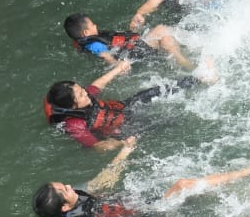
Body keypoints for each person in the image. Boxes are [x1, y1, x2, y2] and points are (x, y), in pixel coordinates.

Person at [32, 146, 250, 217]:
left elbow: (101, 181)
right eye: (63, 189)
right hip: (146, 214)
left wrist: (124, 153)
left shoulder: (73, 195)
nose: (68, 185)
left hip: (135, 201)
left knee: (195, 189)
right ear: (64, 208)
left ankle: (242, 188)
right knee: (184, 185)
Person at [43, 60, 204, 150]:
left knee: (152, 92)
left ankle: (200, 78)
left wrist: (118, 69)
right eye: (80, 95)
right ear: (72, 107)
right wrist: (121, 143)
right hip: (122, 129)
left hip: (123, 108)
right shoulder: (75, 125)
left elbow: (98, 85)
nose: (85, 93)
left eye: (81, 89)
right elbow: (98, 146)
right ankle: (194, 118)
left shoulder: (83, 97)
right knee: (165, 120)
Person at [63, 13, 196, 71]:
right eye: (92, 25)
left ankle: (182, 59)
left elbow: (116, 43)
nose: (95, 25)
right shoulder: (93, 44)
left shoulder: (89, 40)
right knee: (162, 31)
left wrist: (135, 29)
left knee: (165, 36)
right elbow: (105, 55)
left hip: (133, 48)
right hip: (135, 54)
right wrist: (117, 65)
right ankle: (186, 60)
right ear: (86, 33)